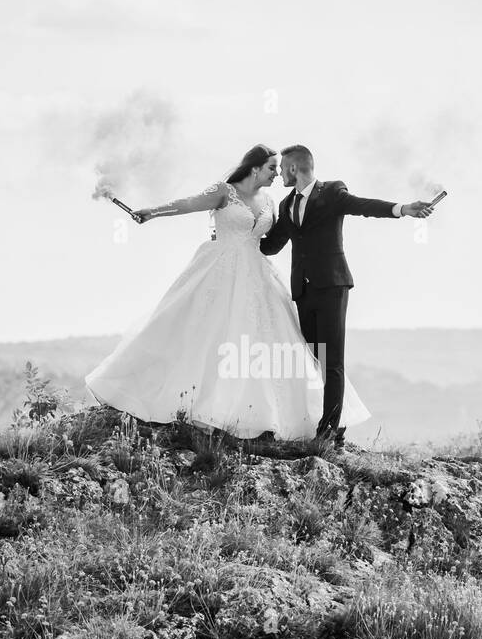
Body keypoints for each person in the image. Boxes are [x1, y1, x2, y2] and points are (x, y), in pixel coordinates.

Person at [84, 144, 369, 441]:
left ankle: (267, 414)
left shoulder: (272, 202)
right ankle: (197, 404)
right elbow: (189, 203)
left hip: (259, 274)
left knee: (266, 343)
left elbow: (274, 241)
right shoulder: (225, 191)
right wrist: (152, 212)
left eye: (278, 168)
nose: (277, 173)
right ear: (255, 167)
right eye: (272, 167)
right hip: (220, 268)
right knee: (211, 334)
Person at [260, 144, 435, 446]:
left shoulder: (331, 193)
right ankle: (331, 422)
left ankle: (328, 432)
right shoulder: (288, 204)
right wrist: (231, 239)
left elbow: (364, 206)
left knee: (333, 361)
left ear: (292, 168)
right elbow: (271, 245)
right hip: (303, 291)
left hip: (332, 287)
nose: (279, 175)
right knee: (315, 358)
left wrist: (403, 209)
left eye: (282, 169)